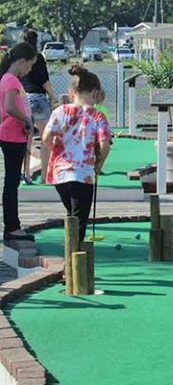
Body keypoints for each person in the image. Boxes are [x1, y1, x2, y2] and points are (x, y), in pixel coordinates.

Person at [43, 66, 111, 243]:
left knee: (72, 215)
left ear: (72, 92)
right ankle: (72, 261)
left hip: (59, 174)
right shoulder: (97, 116)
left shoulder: (60, 111)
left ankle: (71, 255)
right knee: (79, 221)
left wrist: (54, 144)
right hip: (82, 175)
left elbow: (46, 137)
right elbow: (104, 144)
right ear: (95, 93)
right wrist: (99, 164)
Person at [0, 43, 38, 241]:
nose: (29, 70)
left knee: (11, 182)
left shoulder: (6, 78)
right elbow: (8, 107)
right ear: (22, 61)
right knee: (12, 183)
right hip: (13, 136)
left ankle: (12, 225)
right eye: (29, 65)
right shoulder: (12, 81)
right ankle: (12, 227)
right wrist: (25, 120)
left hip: (11, 135)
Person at [19, 30, 56, 184]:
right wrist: (52, 97)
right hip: (39, 99)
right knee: (45, 139)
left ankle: (26, 173)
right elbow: (44, 81)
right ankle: (45, 176)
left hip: (24, 99)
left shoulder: (19, 59)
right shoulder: (38, 58)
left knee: (26, 140)